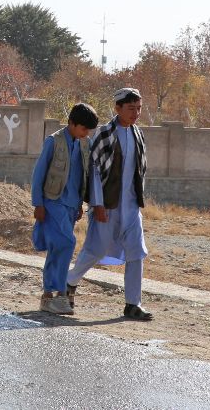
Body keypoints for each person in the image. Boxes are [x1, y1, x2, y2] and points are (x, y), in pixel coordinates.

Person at [66, 88, 154, 321]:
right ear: (118, 109)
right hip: (107, 205)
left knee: (136, 252)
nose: (136, 113)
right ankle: (70, 281)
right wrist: (98, 204)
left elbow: (139, 170)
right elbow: (94, 172)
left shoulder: (137, 134)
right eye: (131, 108)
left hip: (131, 206)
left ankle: (133, 304)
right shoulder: (104, 134)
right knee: (96, 250)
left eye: (139, 108)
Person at [31, 103, 100, 315]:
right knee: (68, 243)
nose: (85, 133)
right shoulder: (54, 141)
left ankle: (47, 296)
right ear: (71, 123)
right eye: (83, 128)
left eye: (88, 130)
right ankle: (61, 293)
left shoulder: (83, 144)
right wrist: (38, 204)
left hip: (70, 205)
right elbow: (38, 174)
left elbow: (82, 176)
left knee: (57, 249)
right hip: (52, 202)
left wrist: (80, 204)